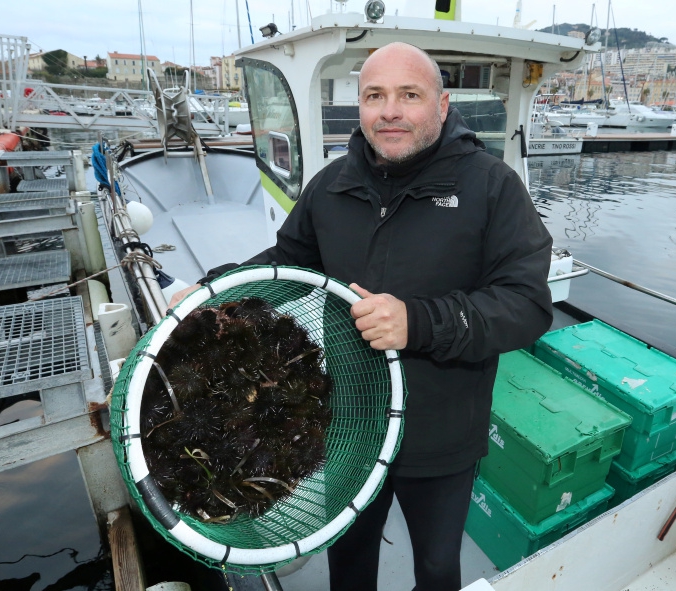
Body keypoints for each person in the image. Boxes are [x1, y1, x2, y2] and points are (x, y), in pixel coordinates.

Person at [170, 42, 553, 591]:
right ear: (359, 106)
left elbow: (527, 303)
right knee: (348, 562)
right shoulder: (330, 185)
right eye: (374, 95)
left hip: (442, 430)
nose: (389, 110)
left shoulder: (491, 187)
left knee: (439, 567)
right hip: (349, 426)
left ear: (441, 106)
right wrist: (207, 294)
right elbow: (284, 265)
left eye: (409, 95)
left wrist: (417, 322)